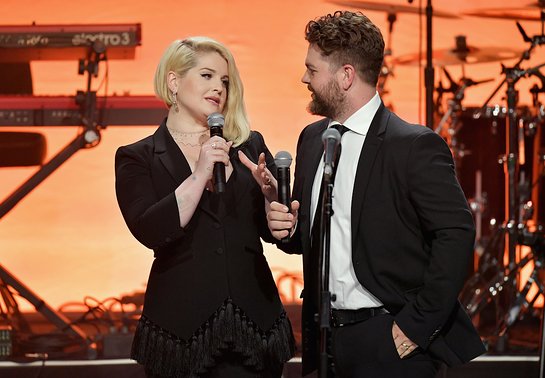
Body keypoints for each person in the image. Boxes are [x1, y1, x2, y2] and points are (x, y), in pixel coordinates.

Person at [266, 11, 486, 378]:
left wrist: (413, 327)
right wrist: (284, 227)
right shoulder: (311, 140)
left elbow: (457, 234)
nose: (304, 77)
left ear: (346, 75)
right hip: (325, 341)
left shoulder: (413, 146)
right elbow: (310, 240)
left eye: (312, 68)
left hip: (389, 340)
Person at [115, 37, 295, 378]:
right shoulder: (137, 156)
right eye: (208, 76)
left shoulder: (247, 145)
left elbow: (280, 235)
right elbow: (150, 230)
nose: (219, 88)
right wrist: (198, 175)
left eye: (225, 81)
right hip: (181, 329)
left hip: (252, 325)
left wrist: (275, 206)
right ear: (173, 81)